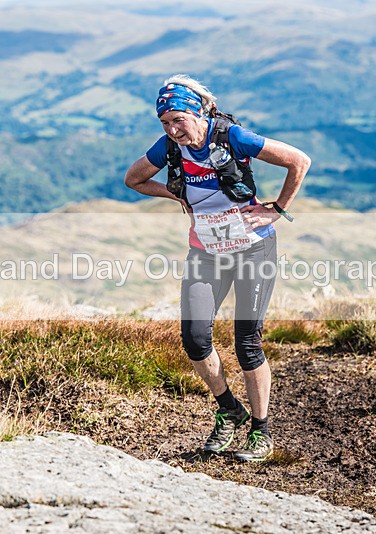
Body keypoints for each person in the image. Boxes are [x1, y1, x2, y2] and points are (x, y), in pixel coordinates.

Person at [125, 75, 310, 462]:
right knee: (194, 339)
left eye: (179, 120)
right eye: (164, 123)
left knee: (247, 342)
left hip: (252, 250)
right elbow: (134, 179)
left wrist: (276, 208)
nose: (173, 131)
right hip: (206, 251)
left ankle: (261, 431)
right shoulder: (169, 149)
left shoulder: (233, 137)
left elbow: (298, 161)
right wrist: (173, 193)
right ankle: (229, 408)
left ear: (199, 112)